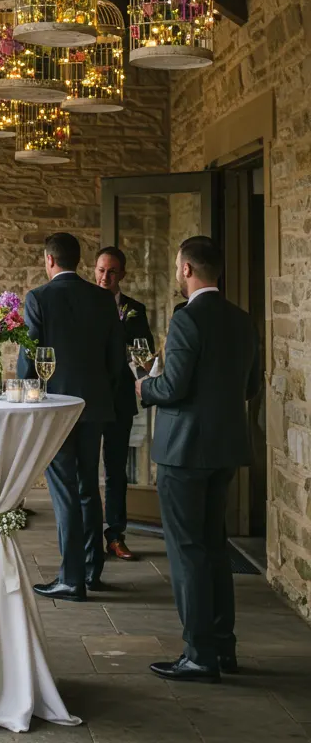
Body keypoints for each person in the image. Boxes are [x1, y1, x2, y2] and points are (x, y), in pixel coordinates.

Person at [137, 236, 261, 683]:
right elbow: (249, 387)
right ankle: (222, 648)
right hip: (226, 448)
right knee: (213, 549)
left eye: (176, 267)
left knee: (188, 552)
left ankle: (199, 655)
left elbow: (173, 388)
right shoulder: (243, 320)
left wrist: (144, 388)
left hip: (185, 451)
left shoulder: (188, 319)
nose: (176, 274)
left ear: (187, 269)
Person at [18, 232, 126, 602]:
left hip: (56, 408)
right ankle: (92, 570)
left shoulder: (40, 298)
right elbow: (116, 361)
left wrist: (26, 399)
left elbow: (29, 357)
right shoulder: (102, 298)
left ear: (49, 260)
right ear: (78, 260)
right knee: (87, 488)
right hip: (93, 405)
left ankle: (71, 577)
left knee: (64, 489)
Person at [95, 245, 155, 562]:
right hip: (88, 401)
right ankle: (90, 536)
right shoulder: (83, 303)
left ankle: (115, 536)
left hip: (119, 400)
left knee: (117, 470)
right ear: (94, 271)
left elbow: (144, 353)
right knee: (86, 470)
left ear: (122, 274)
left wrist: (139, 364)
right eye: (102, 270)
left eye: (112, 271)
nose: (106, 276)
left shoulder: (135, 309)